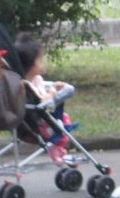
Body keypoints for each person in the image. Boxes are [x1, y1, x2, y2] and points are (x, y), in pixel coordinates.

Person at [13, 32, 78, 162]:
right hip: (37, 126)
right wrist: (53, 91)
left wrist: (53, 85)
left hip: (24, 125)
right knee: (62, 121)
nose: (42, 64)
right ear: (31, 65)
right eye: (40, 61)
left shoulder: (28, 81)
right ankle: (55, 147)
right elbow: (43, 102)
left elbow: (41, 87)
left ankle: (56, 148)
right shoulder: (26, 86)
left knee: (60, 121)